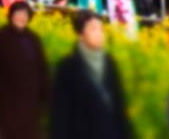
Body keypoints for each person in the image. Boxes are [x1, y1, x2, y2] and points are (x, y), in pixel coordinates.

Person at [50, 10, 131, 139]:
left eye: (101, 29)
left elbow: (118, 108)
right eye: (93, 29)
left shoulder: (110, 63)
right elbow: (60, 114)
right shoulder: (68, 67)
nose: (99, 34)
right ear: (80, 34)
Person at [0, 1, 49, 139]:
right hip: (6, 98)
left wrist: (45, 93)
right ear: (11, 16)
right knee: (8, 132)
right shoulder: (0, 36)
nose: (21, 17)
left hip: (29, 98)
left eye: (25, 15)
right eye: (18, 14)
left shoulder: (33, 39)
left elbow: (42, 68)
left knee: (29, 132)